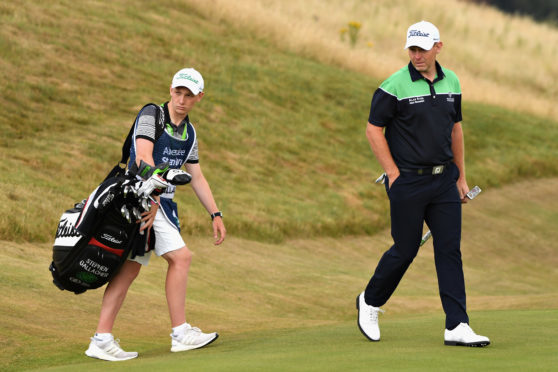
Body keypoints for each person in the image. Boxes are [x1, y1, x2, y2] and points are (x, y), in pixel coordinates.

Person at [357, 21, 490, 347]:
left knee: (449, 251)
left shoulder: (453, 82)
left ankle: (457, 325)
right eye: (412, 49)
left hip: (444, 180)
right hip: (408, 182)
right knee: (405, 250)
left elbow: (455, 129)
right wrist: (392, 173)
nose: (417, 55)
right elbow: (373, 129)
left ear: (438, 48)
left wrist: (461, 176)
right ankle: (370, 301)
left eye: (423, 49)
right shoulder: (394, 86)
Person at [85, 68, 227, 361]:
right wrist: (152, 198)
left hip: (159, 204)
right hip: (140, 198)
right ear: (171, 89)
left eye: (189, 95)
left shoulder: (190, 133)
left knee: (130, 270)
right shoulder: (152, 115)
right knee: (181, 257)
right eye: (178, 92)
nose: (182, 100)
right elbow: (142, 158)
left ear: (200, 97)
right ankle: (180, 333)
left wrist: (215, 212)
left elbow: (197, 177)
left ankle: (101, 338)